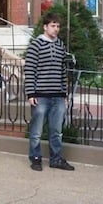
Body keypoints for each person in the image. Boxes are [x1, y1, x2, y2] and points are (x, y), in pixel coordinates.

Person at [24, 11, 75, 172]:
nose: (56, 29)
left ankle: (56, 158)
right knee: (37, 130)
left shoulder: (60, 45)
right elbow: (30, 69)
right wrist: (31, 93)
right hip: (40, 95)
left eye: (58, 26)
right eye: (53, 26)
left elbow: (62, 71)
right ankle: (36, 158)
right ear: (45, 27)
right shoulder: (36, 45)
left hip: (58, 95)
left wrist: (64, 93)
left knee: (56, 131)